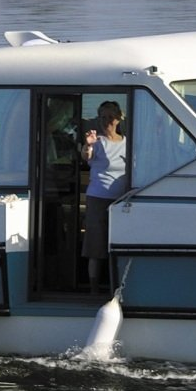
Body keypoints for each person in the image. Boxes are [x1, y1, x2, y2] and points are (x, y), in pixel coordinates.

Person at [81, 102, 127, 288]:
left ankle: (116, 286)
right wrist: (87, 145)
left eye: (110, 117)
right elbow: (86, 155)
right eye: (103, 117)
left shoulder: (127, 142)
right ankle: (93, 289)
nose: (107, 121)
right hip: (98, 197)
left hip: (122, 200)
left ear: (118, 119)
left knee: (118, 243)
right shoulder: (96, 142)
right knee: (96, 244)